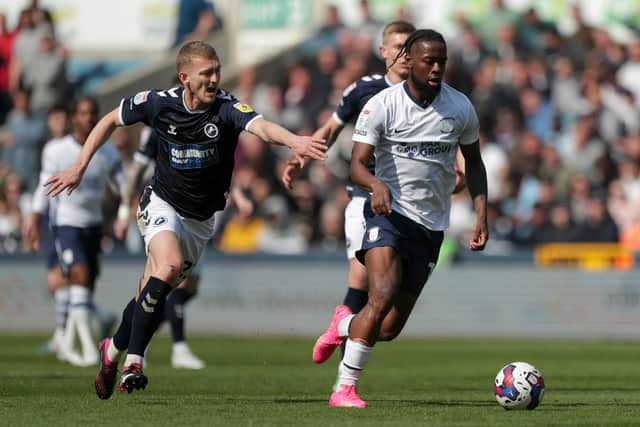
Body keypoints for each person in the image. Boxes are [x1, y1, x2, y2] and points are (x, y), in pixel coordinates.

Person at [44, 40, 327, 399]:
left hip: (199, 220)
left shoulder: (226, 107)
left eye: (217, 72)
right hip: (161, 203)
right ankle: (135, 361)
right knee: (168, 266)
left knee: (152, 291)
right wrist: (80, 165)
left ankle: (111, 350)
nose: (214, 79)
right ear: (185, 77)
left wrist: (294, 141)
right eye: (206, 73)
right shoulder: (158, 103)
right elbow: (110, 120)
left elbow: (263, 127)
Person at [314, 29, 488, 408]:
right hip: (388, 214)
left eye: (442, 60)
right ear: (409, 60)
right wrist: (375, 185)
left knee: (388, 327)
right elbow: (358, 165)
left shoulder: (460, 108)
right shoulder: (381, 105)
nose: (437, 67)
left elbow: (474, 165)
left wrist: (481, 215)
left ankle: (342, 325)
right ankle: (344, 389)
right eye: (429, 60)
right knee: (380, 296)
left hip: (430, 224)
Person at [283, 20, 416, 359]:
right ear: (382, 52)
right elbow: (330, 127)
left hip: (409, 204)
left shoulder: (429, 93)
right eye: (397, 47)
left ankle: (340, 327)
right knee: (364, 283)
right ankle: (346, 382)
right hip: (365, 197)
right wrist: (304, 158)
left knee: (383, 308)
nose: (404, 54)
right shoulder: (364, 90)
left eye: (410, 47)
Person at [25, 97, 124, 366]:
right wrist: (34, 219)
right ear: (74, 118)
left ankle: (66, 343)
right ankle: (90, 349)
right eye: (82, 114)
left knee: (85, 287)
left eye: (93, 114)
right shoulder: (57, 150)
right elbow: (43, 186)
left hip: (93, 225)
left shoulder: (108, 153)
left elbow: (121, 186)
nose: (88, 119)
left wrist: (128, 209)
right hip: (65, 224)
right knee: (77, 275)